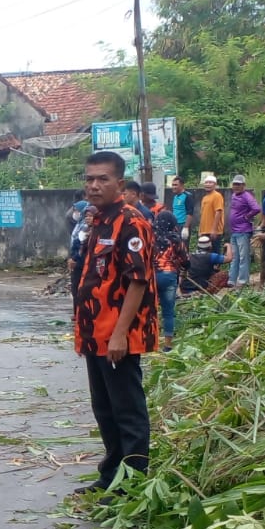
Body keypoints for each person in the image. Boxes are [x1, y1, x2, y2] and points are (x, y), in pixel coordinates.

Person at [73, 151, 157, 494]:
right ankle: (110, 476)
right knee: (104, 410)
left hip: (118, 335)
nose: (94, 186)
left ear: (119, 183)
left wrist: (120, 334)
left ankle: (132, 484)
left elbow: (138, 280)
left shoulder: (131, 222)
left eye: (102, 179)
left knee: (127, 411)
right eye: (89, 179)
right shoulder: (99, 220)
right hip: (96, 333)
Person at [153, 210, 184, 352]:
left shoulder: (150, 237)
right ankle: (167, 345)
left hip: (151, 276)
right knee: (168, 311)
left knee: (150, 310)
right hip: (169, 275)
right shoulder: (176, 239)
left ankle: (150, 341)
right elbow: (186, 260)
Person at [227, 175, 259, 288]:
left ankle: (242, 280)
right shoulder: (234, 195)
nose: (236, 186)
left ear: (243, 185)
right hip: (234, 231)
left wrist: (247, 217)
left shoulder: (247, 196)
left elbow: (256, 208)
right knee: (235, 257)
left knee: (243, 256)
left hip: (243, 230)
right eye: (234, 184)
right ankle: (232, 279)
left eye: (238, 184)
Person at [198, 172, 225, 254]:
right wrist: (200, 230)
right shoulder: (204, 198)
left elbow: (218, 212)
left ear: (215, 185)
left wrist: (214, 230)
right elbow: (202, 215)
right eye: (206, 182)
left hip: (213, 231)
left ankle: (216, 267)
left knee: (215, 254)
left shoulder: (217, 196)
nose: (208, 184)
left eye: (210, 182)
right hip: (204, 231)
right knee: (205, 254)